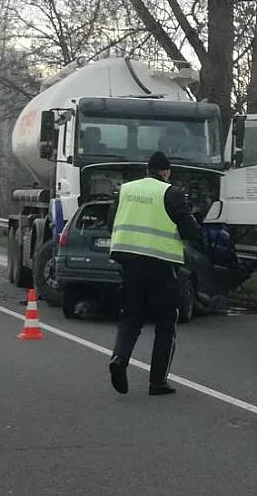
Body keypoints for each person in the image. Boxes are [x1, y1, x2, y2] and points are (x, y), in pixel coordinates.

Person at [107, 151, 203, 396]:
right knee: (166, 323)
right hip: (161, 266)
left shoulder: (125, 190)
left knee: (131, 318)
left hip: (128, 263)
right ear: (166, 171)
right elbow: (190, 230)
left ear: (147, 170)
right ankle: (157, 382)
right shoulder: (171, 193)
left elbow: (110, 223)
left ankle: (119, 359)